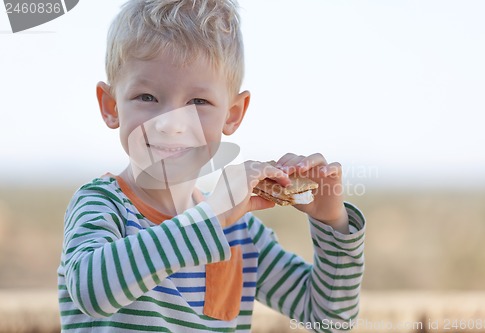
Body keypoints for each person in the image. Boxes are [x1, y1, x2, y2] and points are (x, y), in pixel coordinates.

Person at [57, 0, 366, 331]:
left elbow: (331, 321)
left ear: (232, 114)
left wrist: (334, 223)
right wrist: (212, 217)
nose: (171, 124)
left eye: (198, 102)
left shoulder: (241, 232)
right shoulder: (102, 205)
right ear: (111, 106)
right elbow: (91, 291)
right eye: (147, 97)